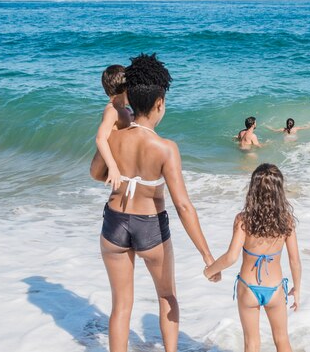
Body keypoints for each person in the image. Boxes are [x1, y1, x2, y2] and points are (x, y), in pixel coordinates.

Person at [90, 53, 220, 352]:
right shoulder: (165, 148)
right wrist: (206, 256)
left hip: (115, 222)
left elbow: (97, 174)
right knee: (166, 297)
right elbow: (184, 206)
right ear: (159, 103)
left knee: (120, 305)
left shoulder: (115, 134)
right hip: (149, 227)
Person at [204, 163, 302, 352]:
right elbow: (295, 260)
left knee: (251, 343)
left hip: (248, 288)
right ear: (279, 191)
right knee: (282, 340)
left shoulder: (244, 220)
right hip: (275, 289)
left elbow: (231, 257)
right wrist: (297, 288)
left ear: (253, 190)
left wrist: (210, 271)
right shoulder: (287, 221)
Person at [95, 65, 133, 191]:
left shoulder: (125, 110)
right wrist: (112, 167)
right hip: (105, 165)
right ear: (125, 87)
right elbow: (100, 138)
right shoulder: (112, 111)